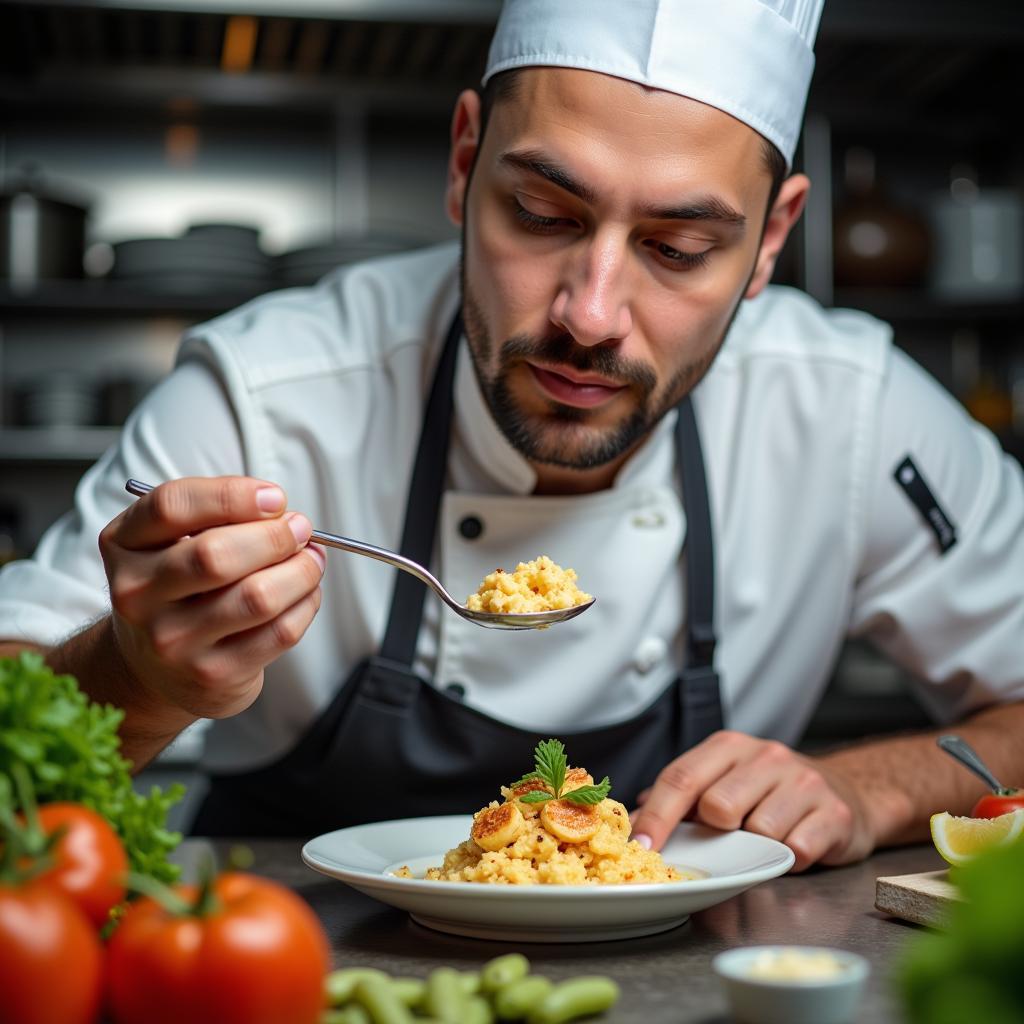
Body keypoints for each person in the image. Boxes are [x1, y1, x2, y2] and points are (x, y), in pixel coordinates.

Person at [1, 0, 1022, 869]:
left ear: (769, 244)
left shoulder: (849, 410)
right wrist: (133, 676)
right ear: (462, 163)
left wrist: (881, 780)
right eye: (541, 213)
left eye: (677, 248)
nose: (590, 313)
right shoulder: (265, 394)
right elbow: (17, 700)